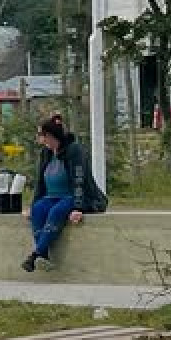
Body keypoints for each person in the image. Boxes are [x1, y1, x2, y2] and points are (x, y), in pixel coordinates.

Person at [21, 117, 107, 272]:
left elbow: (79, 180)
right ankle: (43, 255)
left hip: (72, 196)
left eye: (43, 136)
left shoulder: (74, 151)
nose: (40, 140)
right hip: (51, 196)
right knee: (39, 209)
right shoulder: (46, 153)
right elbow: (41, 182)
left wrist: (78, 208)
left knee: (56, 212)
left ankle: (35, 255)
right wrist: (33, 206)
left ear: (52, 136)